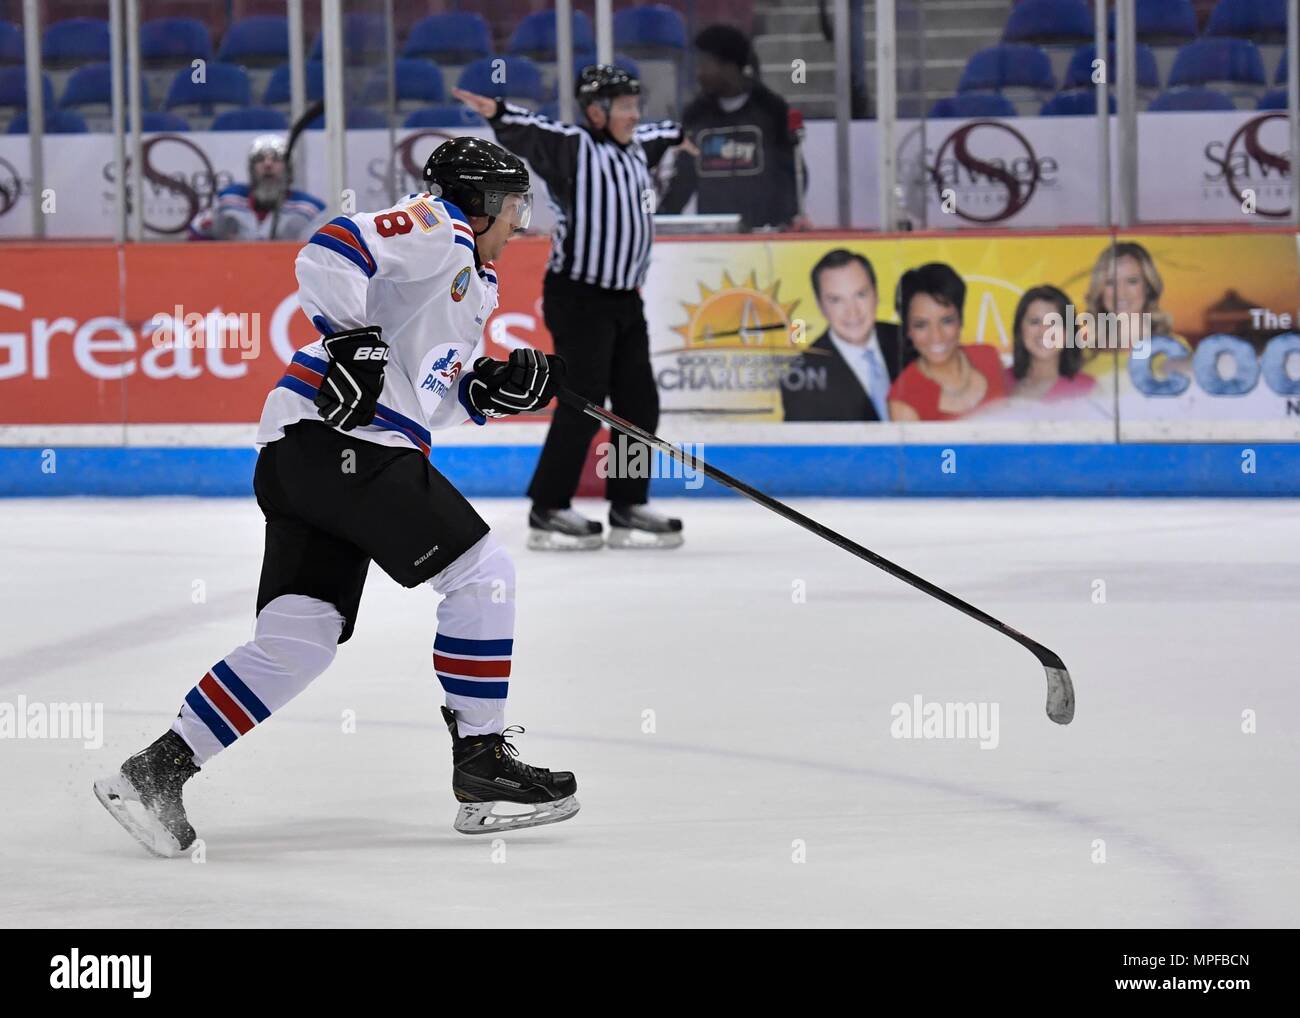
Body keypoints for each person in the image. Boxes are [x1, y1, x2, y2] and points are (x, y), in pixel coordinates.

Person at [94, 137, 579, 854]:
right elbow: (330, 247)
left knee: (299, 643)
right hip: (344, 446)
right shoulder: (438, 224)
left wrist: (489, 388)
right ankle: (481, 762)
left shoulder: (473, 276)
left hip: (303, 457)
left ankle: (154, 772)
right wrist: (351, 341)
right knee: (481, 575)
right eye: (511, 207)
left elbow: (432, 386)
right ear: (475, 202)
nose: (519, 222)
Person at [454, 65, 688, 550]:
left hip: (626, 299)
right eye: (623, 107)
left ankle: (628, 504)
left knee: (639, 402)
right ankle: (549, 508)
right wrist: (499, 112)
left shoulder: (642, 145)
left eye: (635, 106)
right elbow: (535, 130)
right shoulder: (576, 148)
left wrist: (685, 135)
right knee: (583, 400)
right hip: (579, 297)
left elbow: (665, 133)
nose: (634, 115)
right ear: (596, 111)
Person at [659, 25, 804, 231]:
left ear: (730, 66)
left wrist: (784, 222)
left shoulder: (771, 110)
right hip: (713, 237)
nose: (698, 73)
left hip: (765, 235)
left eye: (705, 64)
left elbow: (792, 175)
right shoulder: (695, 114)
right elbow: (683, 179)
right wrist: (661, 220)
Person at [780, 249, 910, 421]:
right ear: (821, 307)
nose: (852, 312)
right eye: (836, 300)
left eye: (860, 295)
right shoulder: (802, 377)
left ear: (876, 295)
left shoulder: (911, 341)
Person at [887, 262, 1006, 421]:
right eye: (921, 325)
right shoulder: (904, 399)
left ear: (960, 320)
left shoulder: (988, 357)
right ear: (908, 330)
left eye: (946, 321)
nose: (936, 336)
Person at [189, 134, 327, 241]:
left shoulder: (310, 209)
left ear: (288, 169)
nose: (267, 165)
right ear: (251, 169)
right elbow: (196, 236)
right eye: (260, 159)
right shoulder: (228, 200)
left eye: (276, 159)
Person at [1008, 285, 1096, 401]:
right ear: (1020, 329)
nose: (1044, 331)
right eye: (1035, 321)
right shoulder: (999, 380)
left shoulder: (1089, 390)